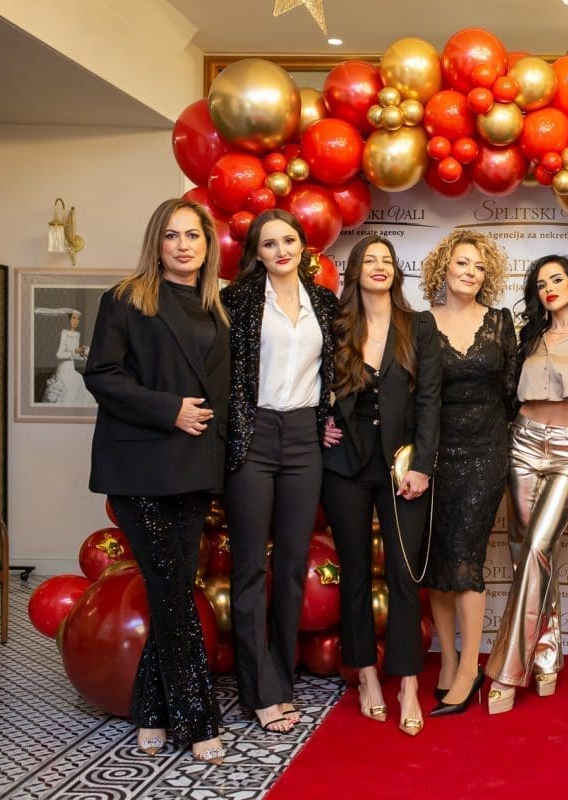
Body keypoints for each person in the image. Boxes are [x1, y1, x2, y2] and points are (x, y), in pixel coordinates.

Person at [84, 198, 229, 764]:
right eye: (172, 235)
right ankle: (197, 718)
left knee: (173, 592)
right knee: (170, 590)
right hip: (141, 468)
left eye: (193, 235)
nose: (183, 245)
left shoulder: (216, 306)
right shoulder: (125, 299)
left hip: (194, 468)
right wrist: (170, 410)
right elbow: (102, 375)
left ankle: (150, 708)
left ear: (208, 244)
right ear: (157, 243)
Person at [485, 255, 568, 715]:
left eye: (557, 279)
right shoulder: (528, 338)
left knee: (538, 548)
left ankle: (507, 670)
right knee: (526, 554)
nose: (549, 289)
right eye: (541, 284)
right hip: (521, 444)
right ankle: (546, 658)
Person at [321, 234, 441, 736]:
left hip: (402, 468)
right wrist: (318, 424)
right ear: (355, 272)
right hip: (344, 466)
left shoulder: (419, 325)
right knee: (353, 574)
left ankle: (408, 683)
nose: (379, 266)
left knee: (404, 576)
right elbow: (303, 382)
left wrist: (424, 465)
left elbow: (430, 399)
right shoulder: (335, 325)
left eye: (386, 260)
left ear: (395, 270)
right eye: (369, 260)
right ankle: (367, 677)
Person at [222, 209, 337, 735]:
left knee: (292, 565)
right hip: (254, 433)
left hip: (304, 438)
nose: (281, 251)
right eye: (269, 244)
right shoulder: (238, 301)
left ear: (303, 246)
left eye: (288, 240)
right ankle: (259, 691)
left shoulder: (324, 303)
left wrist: (330, 418)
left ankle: (281, 680)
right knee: (250, 566)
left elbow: (336, 369)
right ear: (256, 253)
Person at [418, 230, 517, 717]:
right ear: (444, 268)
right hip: (435, 455)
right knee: (438, 565)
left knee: (464, 559)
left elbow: (512, 392)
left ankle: (471, 667)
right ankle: (448, 660)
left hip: (485, 453)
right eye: (462, 263)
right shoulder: (421, 323)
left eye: (479, 267)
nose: (470, 273)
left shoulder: (500, 322)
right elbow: (418, 395)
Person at [42, 309, 94, 404]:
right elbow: (59, 355)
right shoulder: (64, 333)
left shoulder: (76, 334)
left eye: (78, 319)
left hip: (72, 369)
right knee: (65, 397)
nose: (76, 321)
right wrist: (75, 351)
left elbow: (74, 356)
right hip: (63, 370)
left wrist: (83, 354)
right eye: (74, 318)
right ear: (69, 319)